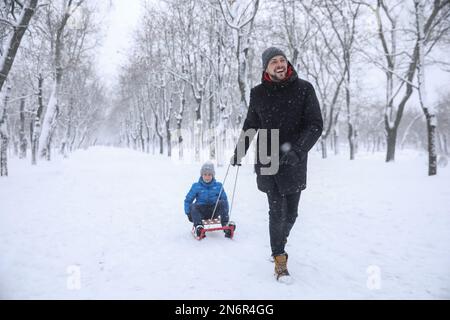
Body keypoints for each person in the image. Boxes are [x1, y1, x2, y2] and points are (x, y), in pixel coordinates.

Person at [231, 47, 323, 282]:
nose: (279, 64)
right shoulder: (258, 93)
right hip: (267, 156)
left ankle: (279, 243)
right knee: (277, 212)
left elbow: (315, 124)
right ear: (266, 68)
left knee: (292, 213)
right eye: (274, 61)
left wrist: (298, 150)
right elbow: (251, 123)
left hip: (294, 159)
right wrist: (240, 150)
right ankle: (279, 260)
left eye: (282, 60)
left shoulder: (304, 89)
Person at [184, 161, 231, 239]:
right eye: (205, 174)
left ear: (213, 175)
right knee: (193, 206)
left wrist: (225, 212)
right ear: (202, 175)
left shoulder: (218, 186)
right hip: (201, 212)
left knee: (222, 202)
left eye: (209, 174)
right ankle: (199, 227)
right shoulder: (196, 186)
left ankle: (225, 225)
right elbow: (188, 200)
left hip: (214, 210)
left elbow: (224, 199)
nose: (207, 177)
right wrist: (188, 213)